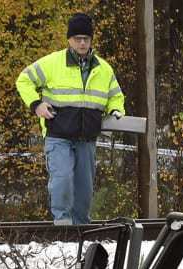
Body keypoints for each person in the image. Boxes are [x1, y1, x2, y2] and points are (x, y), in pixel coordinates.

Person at [16, 13, 125, 225]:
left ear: (91, 40)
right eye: (77, 38)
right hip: (59, 134)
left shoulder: (104, 68)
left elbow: (115, 96)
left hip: (87, 138)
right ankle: (62, 225)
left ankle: (81, 228)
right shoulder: (52, 63)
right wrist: (36, 105)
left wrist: (115, 110)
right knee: (63, 179)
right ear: (69, 40)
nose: (82, 42)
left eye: (86, 38)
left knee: (84, 189)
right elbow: (24, 80)